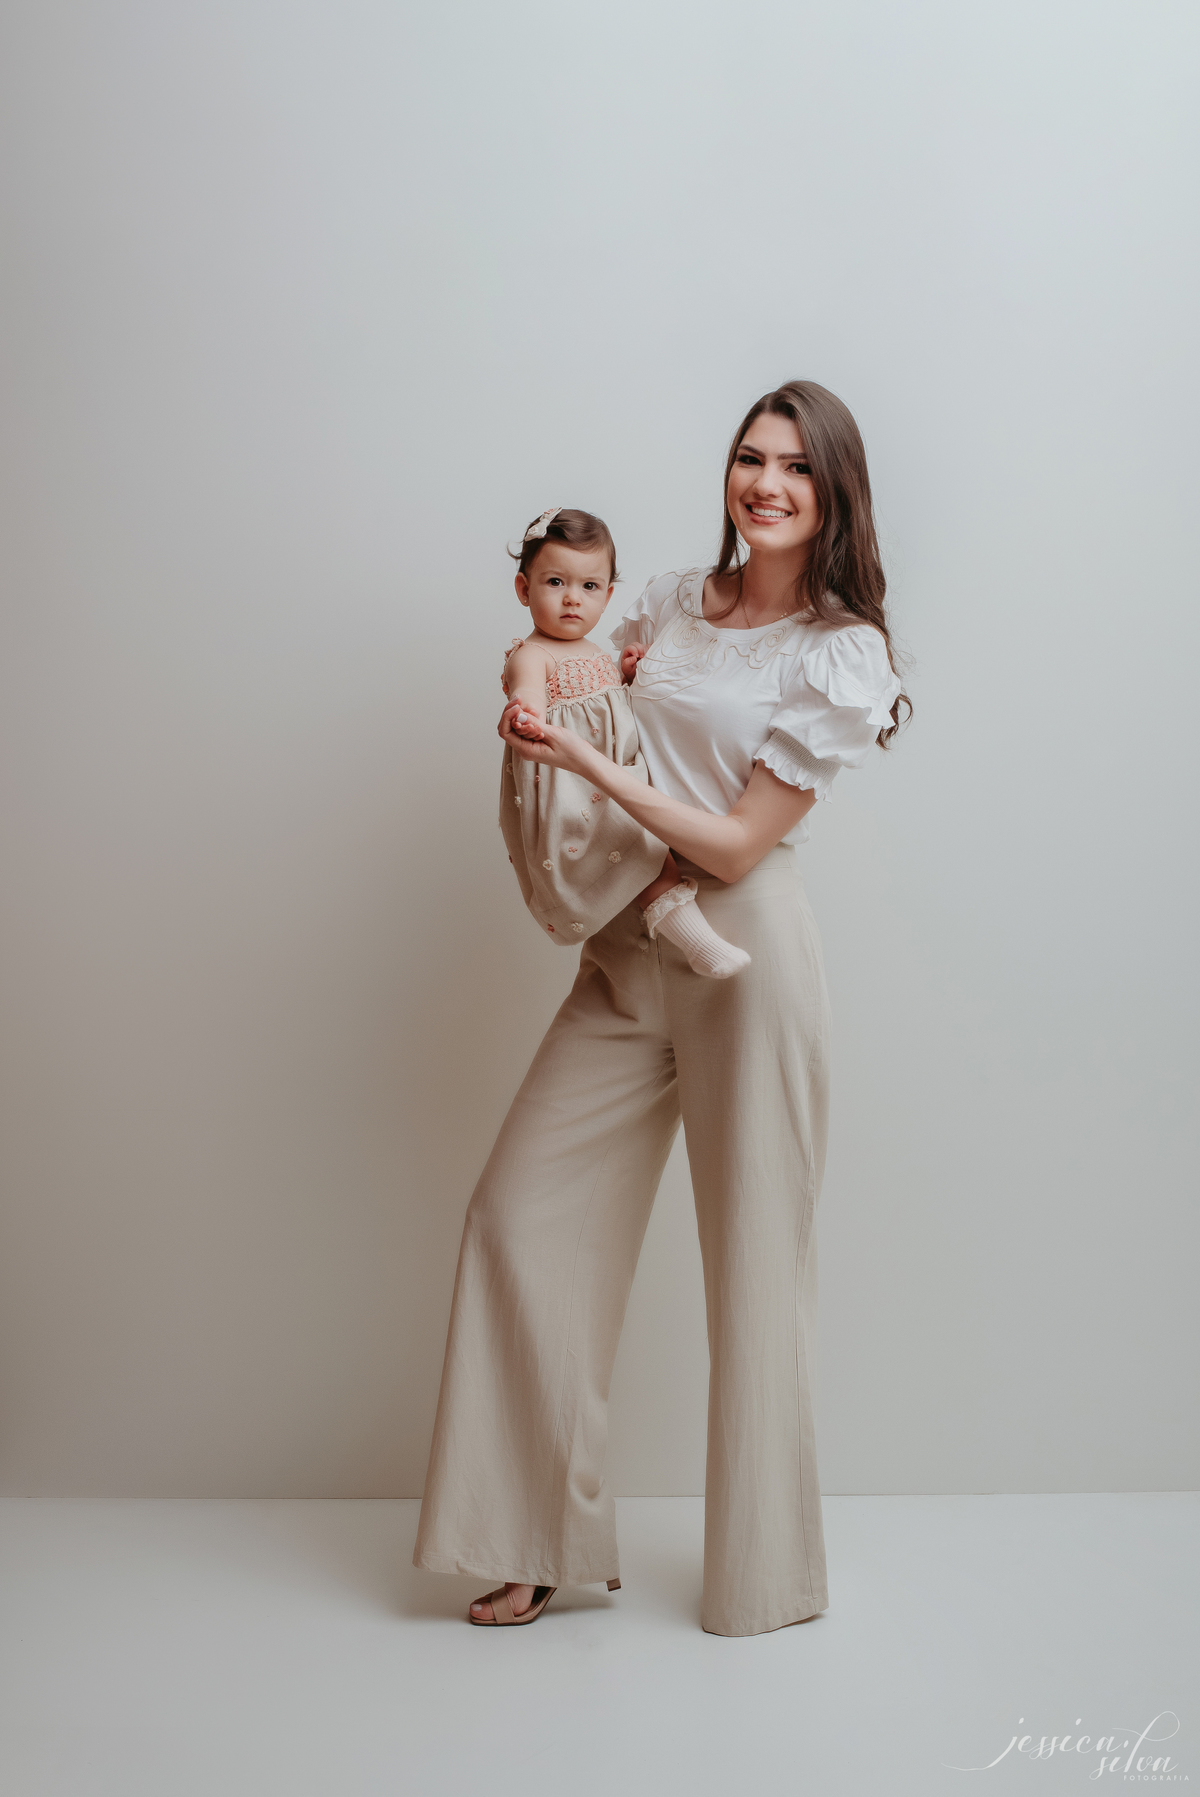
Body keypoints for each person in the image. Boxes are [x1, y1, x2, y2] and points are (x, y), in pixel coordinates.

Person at [413, 380, 909, 1636]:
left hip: (745, 950)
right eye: (751, 457)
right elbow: (574, 673)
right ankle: (528, 1538)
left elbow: (738, 845)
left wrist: (582, 757)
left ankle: (764, 1580)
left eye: (797, 466)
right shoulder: (674, 600)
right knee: (518, 1215)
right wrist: (540, 689)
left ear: (834, 489)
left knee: (756, 1268)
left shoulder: (841, 651)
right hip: (630, 944)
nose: (767, 483)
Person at [500, 504, 750, 977]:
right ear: (524, 588)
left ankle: (678, 946)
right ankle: (701, 947)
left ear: (608, 595)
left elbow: (607, 708)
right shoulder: (532, 655)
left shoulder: (595, 652)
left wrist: (626, 674)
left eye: (589, 587)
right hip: (574, 788)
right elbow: (528, 689)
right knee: (643, 851)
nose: (572, 599)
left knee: (649, 845)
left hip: (614, 777)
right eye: (555, 582)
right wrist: (526, 709)